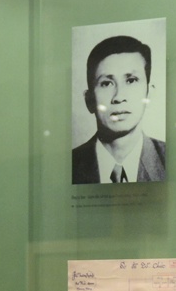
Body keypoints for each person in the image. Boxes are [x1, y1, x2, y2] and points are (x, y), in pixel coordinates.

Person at [70, 33, 166, 184]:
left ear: (149, 94)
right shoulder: (69, 165)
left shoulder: (172, 160)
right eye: (106, 83)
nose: (119, 97)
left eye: (131, 80)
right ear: (89, 100)